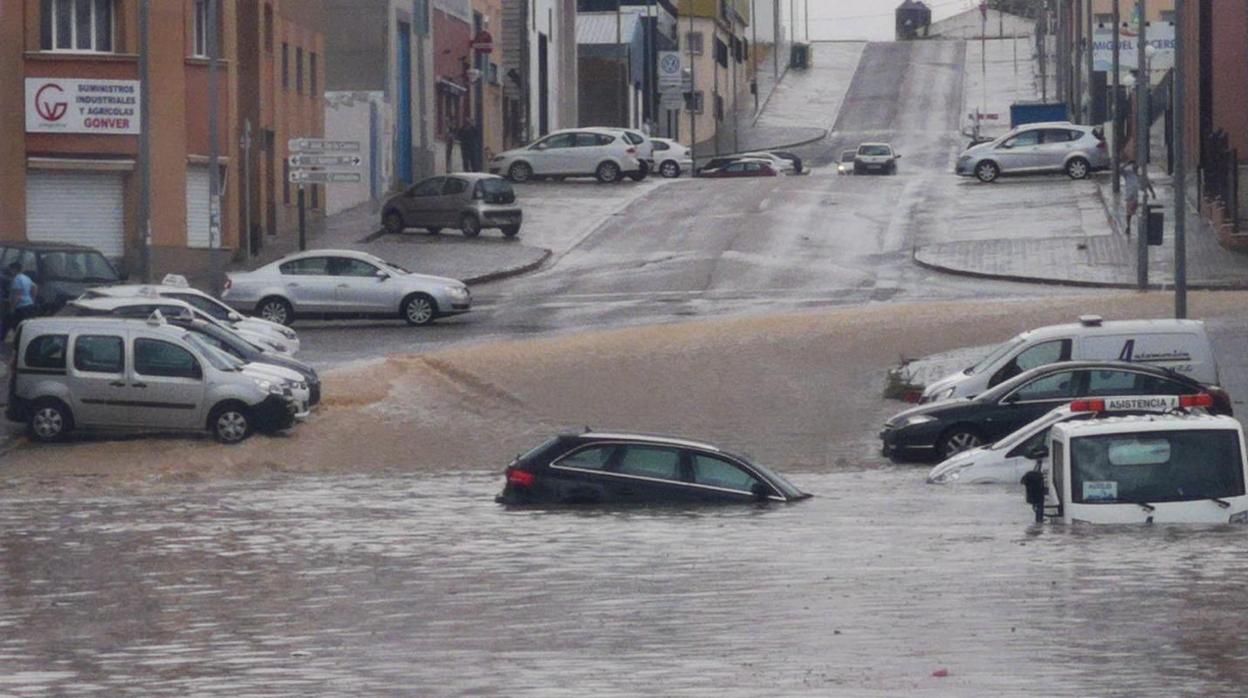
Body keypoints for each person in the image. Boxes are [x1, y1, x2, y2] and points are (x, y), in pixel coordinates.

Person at [7, 261, 38, 341]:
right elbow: (35, 287)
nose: (10, 272)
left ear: (14, 269)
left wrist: (12, 308)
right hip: (29, 305)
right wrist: (32, 299)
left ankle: (19, 343)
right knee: (26, 326)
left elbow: (17, 295)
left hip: (21, 307)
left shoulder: (16, 280)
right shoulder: (26, 277)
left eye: (10, 270)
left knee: (17, 327)